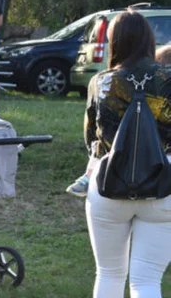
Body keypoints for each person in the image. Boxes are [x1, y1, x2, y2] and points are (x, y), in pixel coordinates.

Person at [82, 11, 171, 298]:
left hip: (109, 185)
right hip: (163, 186)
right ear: (150, 40)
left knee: (110, 273)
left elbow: (91, 141)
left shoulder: (101, 82)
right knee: (148, 279)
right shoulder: (169, 80)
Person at [67, 42, 171, 196]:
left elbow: (92, 137)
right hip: (162, 179)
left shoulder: (102, 81)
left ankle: (88, 176)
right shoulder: (164, 85)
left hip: (110, 175)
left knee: (98, 151)